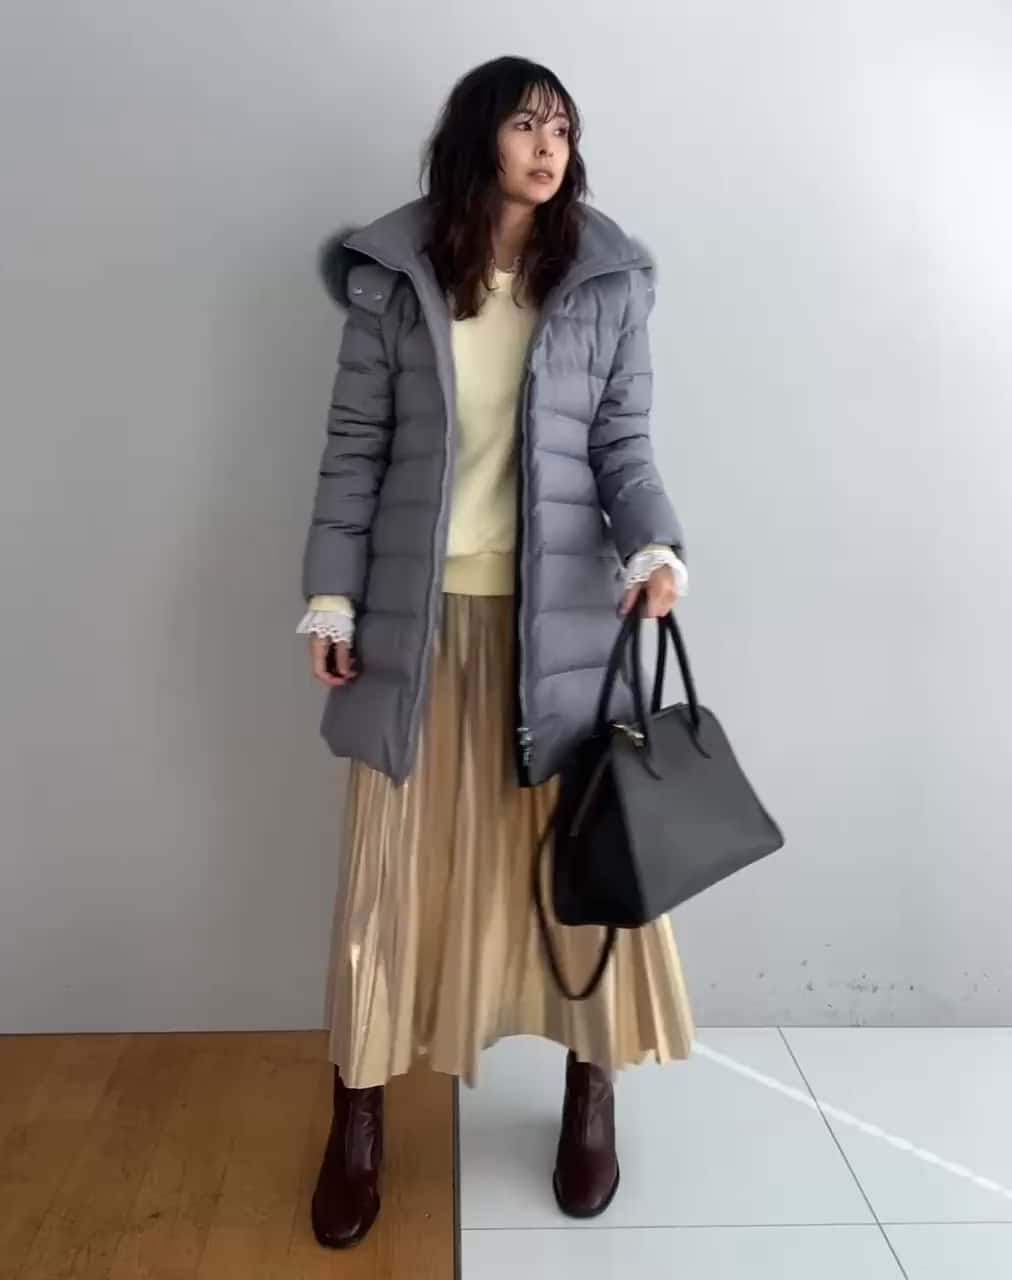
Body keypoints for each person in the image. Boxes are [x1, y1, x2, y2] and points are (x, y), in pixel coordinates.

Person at [296, 55, 695, 1249]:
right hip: (417, 621)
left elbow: (622, 442)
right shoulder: (396, 277)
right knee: (385, 878)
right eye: (526, 123)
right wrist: (331, 599)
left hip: (558, 625)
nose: (548, 145)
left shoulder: (605, 280)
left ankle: (590, 1089)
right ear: (477, 138)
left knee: (582, 866)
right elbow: (354, 449)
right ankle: (358, 1117)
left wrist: (653, 547)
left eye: (562, 126)